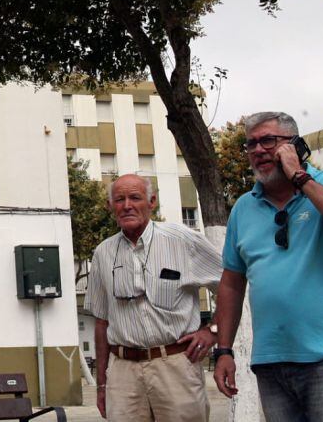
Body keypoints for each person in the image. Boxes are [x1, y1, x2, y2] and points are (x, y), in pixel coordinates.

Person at [213, 111, 323, 421]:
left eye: (268, 141)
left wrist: (300, 177)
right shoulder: (243, 208)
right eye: (250, 144)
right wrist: (223, 350)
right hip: (271, 361)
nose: (257, 150)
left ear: (294, 145)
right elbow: (231, 282)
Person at [84, 173, 222, 421]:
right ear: (110, 206)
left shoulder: (182, 240)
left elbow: (229, 287)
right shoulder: (103, 253)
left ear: (152, 201)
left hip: (175, 365)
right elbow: (101, 322)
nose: (127, 206)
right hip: (123, 372)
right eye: (119, 199)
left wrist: (212, 331)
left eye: (135, 198)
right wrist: (102, 384)